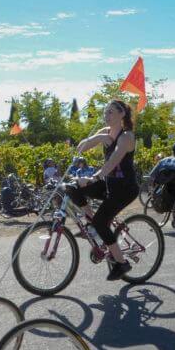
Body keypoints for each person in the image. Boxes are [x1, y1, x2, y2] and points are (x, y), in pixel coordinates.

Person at [67, 99, 139, 280]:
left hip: (125, 188)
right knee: (73, 188)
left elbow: (113, 161)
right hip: (109, 184)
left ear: (122, 114)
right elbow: (81, 147)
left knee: (102, 221)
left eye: (110, 112)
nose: (106, 115)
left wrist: (94, 177)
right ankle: (93, 224)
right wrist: (98, 138)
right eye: (105, 112)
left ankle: (122, 263)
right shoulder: (105, 132)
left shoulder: (127, 136)